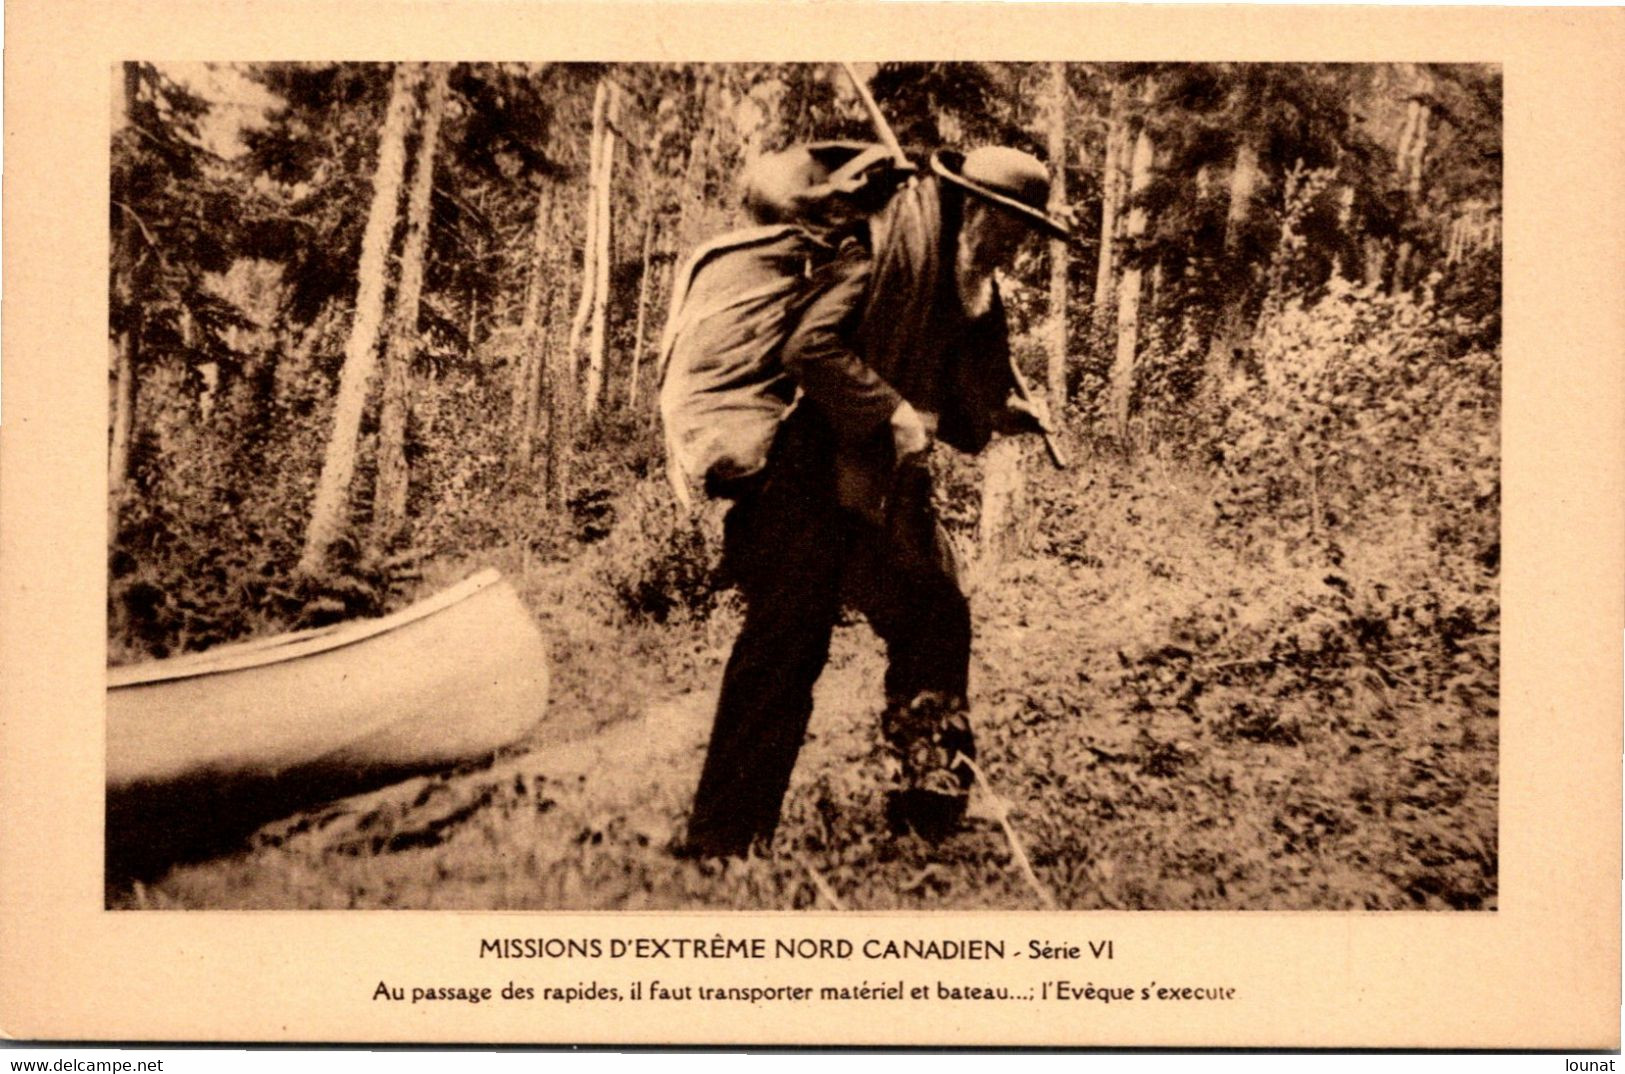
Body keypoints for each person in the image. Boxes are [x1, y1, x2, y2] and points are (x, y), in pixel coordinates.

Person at [678, 146, 1070, 859]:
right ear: (972, 210)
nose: (1015, 243)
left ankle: (928, 812)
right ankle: (721, 838)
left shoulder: (969, 289)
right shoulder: (884, 251)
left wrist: (1000, 414)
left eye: (1025, 230)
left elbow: (946, 406)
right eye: (1008, 224)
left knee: (935, 619)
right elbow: (810, 348)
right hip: (800, 475)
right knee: (785, 647)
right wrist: (887, 409)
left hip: (879, 491)